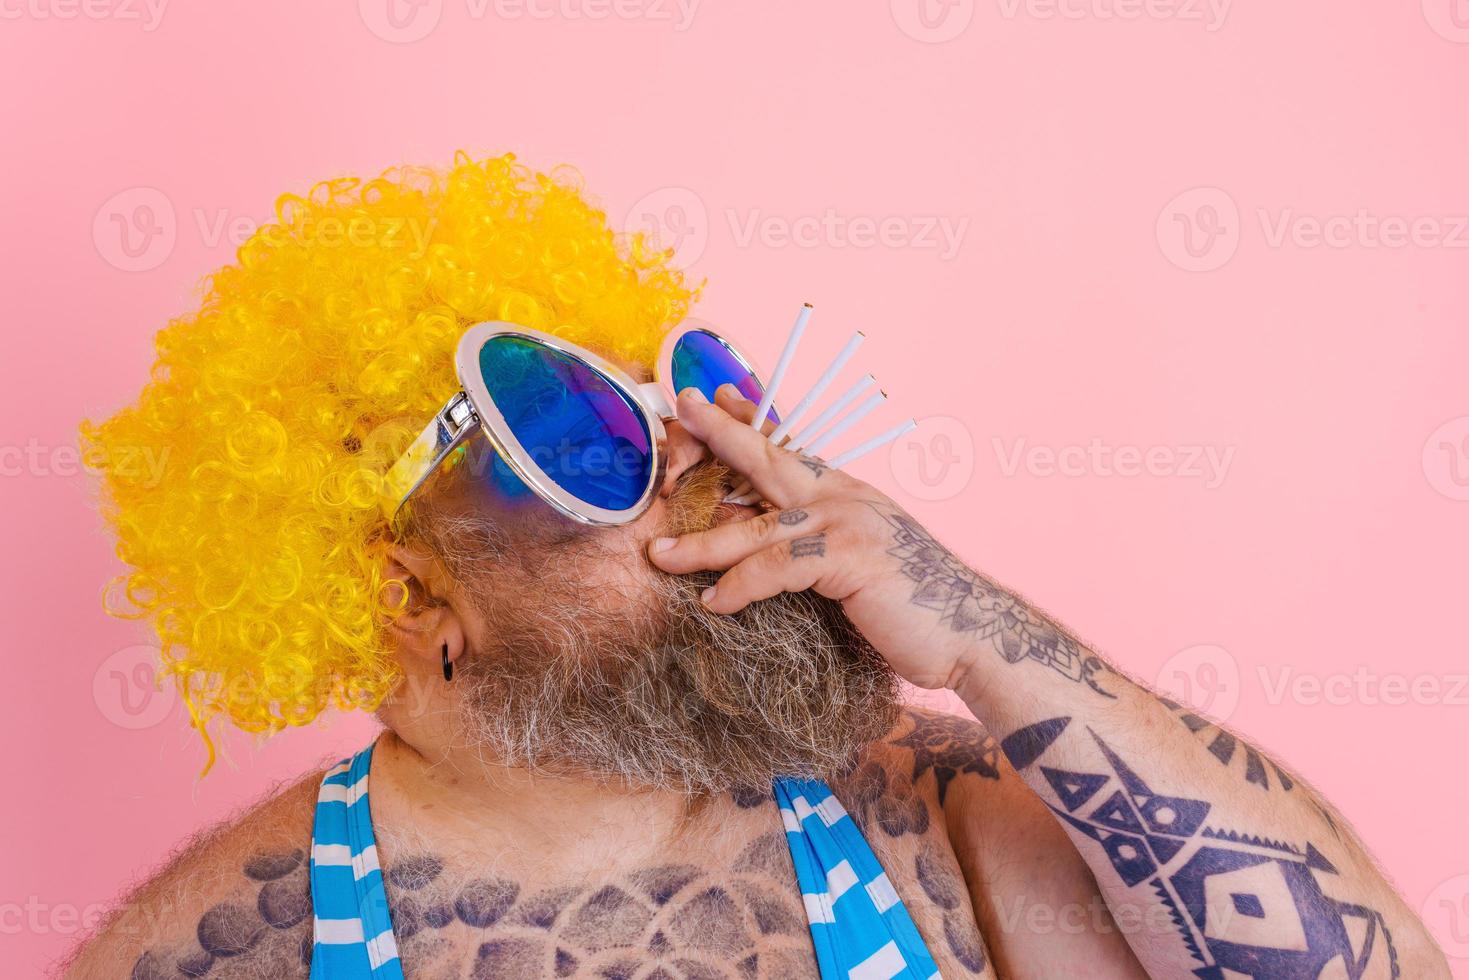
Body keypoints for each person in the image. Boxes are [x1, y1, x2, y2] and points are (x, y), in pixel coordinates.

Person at [68, 154, 1447, 979]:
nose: (702, 455)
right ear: (413, 594)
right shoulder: (241, 941)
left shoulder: (939, 832)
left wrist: (978, 640)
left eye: (692, 397)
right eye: (579, 433)